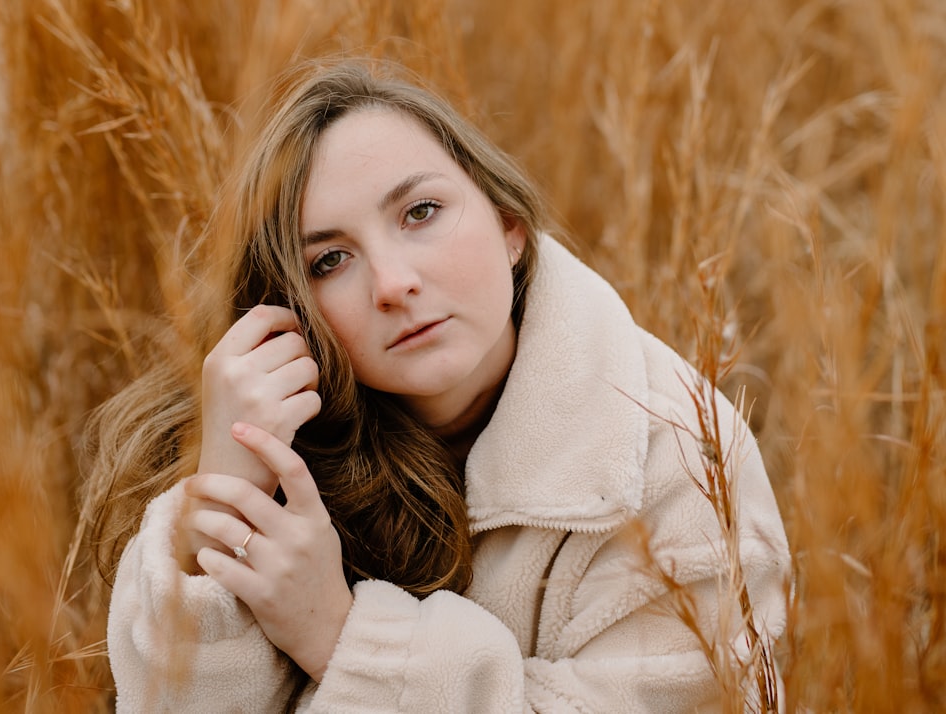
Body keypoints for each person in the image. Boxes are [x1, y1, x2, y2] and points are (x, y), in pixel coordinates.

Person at [93, 57, 791, 712]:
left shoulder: (674, 462)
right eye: (331, 260)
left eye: (420, 213)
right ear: (294, 312)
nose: (394, 284)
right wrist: (226, 490)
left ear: (509, 226)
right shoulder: (290, 452)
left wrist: (338, 635)